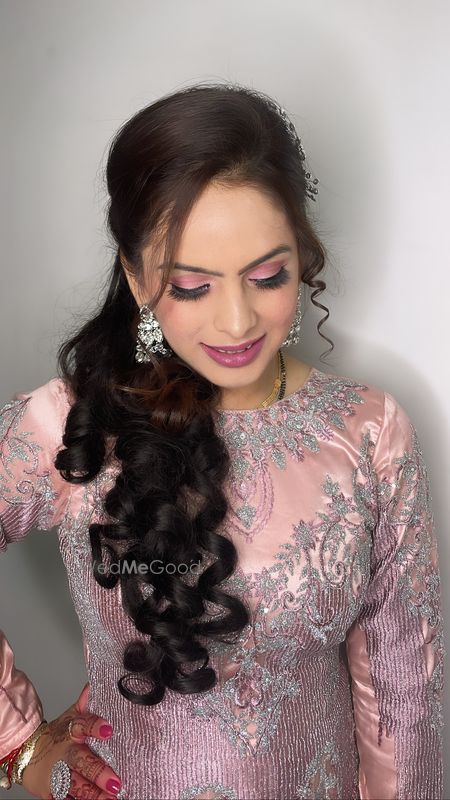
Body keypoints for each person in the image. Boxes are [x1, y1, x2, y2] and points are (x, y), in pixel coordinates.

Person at [0, 82, 445, 800]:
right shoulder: (75, 423)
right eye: (191, 286)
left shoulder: (369, 433)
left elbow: (404, 698)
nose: (237, 321)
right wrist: (20, 745)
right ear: (137, 279)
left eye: (267, 276)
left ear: (303, 255)